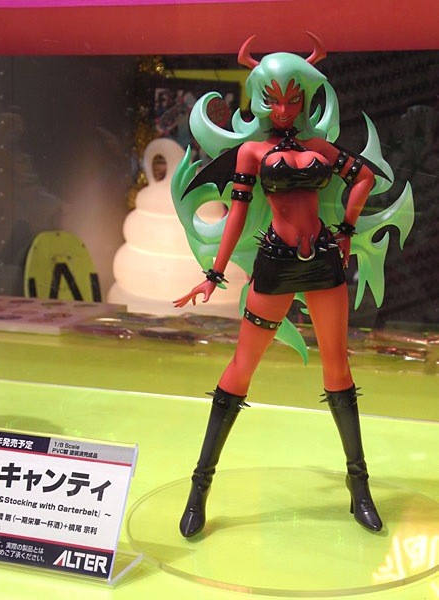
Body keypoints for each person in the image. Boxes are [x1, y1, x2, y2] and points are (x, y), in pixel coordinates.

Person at [172, 33, 413, 538]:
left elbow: (364, 178)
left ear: (304, 98)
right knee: (240, 370)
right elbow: (238, 215)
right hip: (276, 265)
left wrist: (346, 229)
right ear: (261, 100)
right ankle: (199, 488)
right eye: (274, 100)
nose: (284, 109)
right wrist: (214, 273)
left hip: (324, 263)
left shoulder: (319, 148)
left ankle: (359, 487)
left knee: (338, 371)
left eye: (293, 99)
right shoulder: (252, 153)